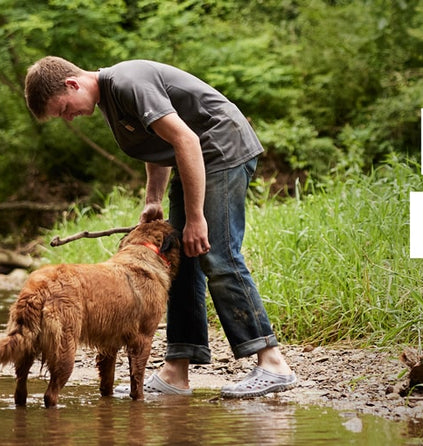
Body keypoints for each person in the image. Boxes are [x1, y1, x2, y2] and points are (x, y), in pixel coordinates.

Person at [22, 56, 295, 398]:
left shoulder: (126, 82)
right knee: (179, 261)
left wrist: (196, 218)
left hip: (221, 151)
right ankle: (176, 372)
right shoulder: (109, 100)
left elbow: (185, 140)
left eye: (63, 109)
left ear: (71, 84)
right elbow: (158, 144)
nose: (67, 117)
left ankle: (272, 363)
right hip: (195, 160)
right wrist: (153, 197)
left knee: (218, 255)